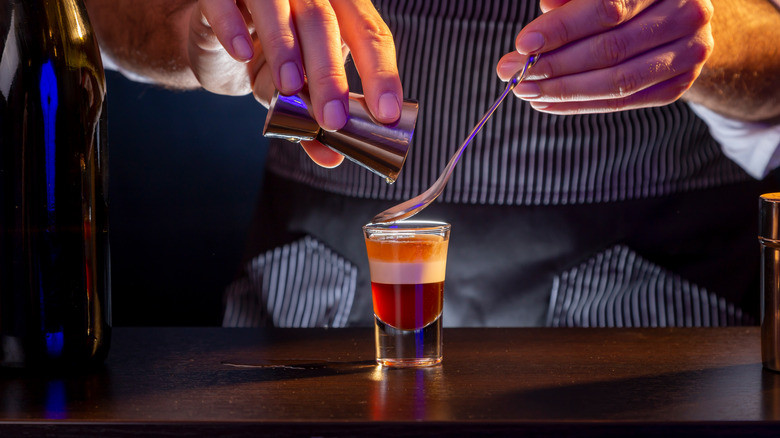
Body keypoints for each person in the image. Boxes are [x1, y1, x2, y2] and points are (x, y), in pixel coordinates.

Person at [86, 0, 780, 328]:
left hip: (655, 324)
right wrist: (195, 26)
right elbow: (109, 13)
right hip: (309, 312)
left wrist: (711, 31)